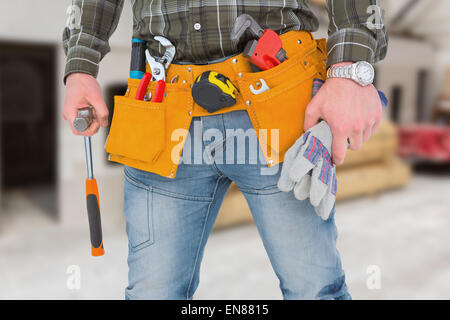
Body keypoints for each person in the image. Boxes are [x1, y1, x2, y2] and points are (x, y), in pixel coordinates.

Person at [62, 0, 387, 300]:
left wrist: (349, 69)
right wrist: (80, 66)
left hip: (280, 94)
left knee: (315, 289)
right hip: (162, 105)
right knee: (152, 293)